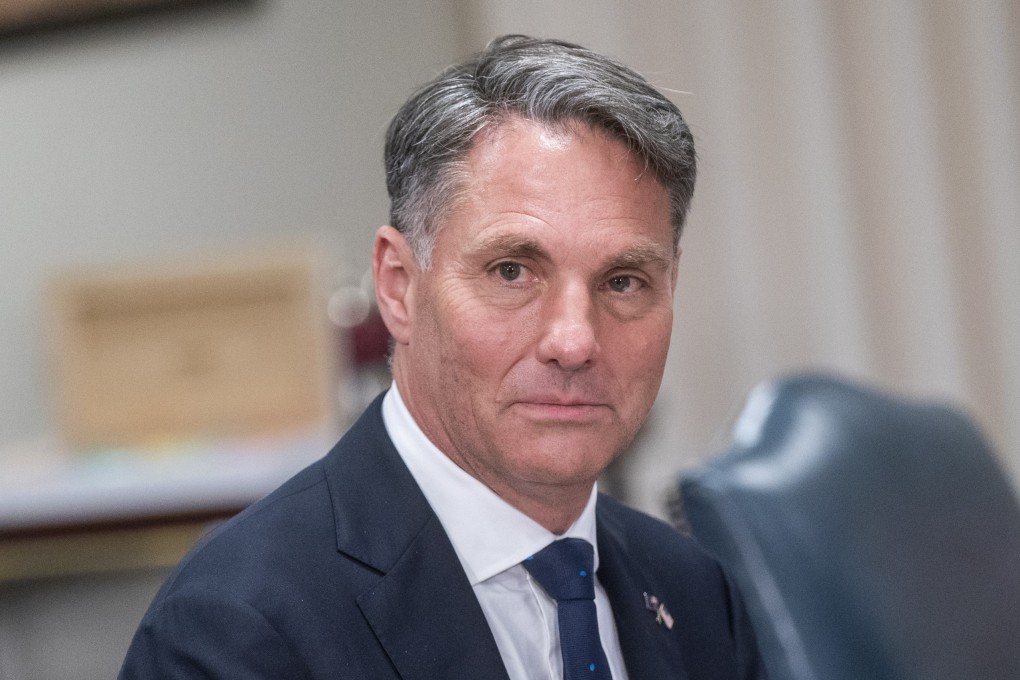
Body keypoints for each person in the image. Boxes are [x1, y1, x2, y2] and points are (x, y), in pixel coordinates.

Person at [120, 35, 765, 679]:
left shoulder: (696, 594)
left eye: (623, 281)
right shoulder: (235, 630)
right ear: (399, 286)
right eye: (512, 271)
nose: (575, 341)